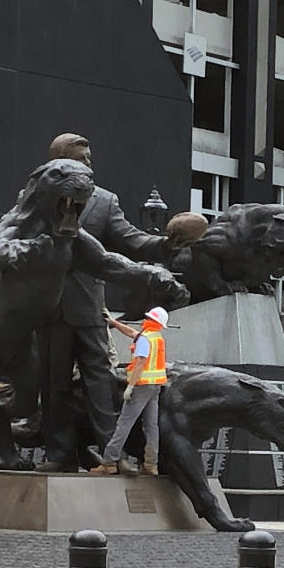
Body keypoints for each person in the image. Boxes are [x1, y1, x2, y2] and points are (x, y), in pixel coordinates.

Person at [36, 133, 183, 472]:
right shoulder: (37, 198)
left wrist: (165, 245)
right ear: (59, 163)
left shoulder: (103, 201)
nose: (89, 165)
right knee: (53, 384)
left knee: (100, 381)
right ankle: (58, 455)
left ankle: (111, 455)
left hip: (89, 307)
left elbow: (130, 240)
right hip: (47, 307)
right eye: (81, 159)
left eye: (89, 159)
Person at [90, 307, 170, 475]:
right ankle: (151, 465)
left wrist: (131, 386)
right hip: (155, 387)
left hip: (141, 386)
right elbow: (133, 333)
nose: (143, 319)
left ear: (151, 321)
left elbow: (140, 363)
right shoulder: (156, 337)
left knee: (124, 424)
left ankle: (109, 462)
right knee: (151, 427)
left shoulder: (145, 339)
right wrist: (113, 323)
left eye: (147, 317)